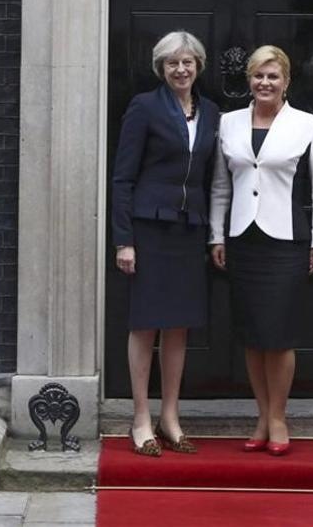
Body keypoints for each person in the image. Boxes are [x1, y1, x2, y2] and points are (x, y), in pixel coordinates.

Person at [208, 45, 313, 457]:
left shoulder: (309, 125)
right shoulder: (229, 124)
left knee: (278, 336)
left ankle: (278, 417)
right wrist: (216, 236)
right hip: (243, 239)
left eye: (273, 76)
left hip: (285, 241)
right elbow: (221, 187)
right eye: (259, 76)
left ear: (286, 81)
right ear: (249, 80)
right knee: (252, 336)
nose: (265, 83)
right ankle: (262, 415)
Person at [112, 30, 219, 457]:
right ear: (161, 68)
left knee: (179, 325)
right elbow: (123, 177)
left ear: (198, 66)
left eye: (188, 61)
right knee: (145, 324)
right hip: (149, 229)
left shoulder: (211, 112)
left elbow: (214, 177)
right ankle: (141, 417)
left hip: (189, 230)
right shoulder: (144, 107)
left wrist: (214, 231)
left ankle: (170, 416)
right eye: (172, 62)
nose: (181, 69)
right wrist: (124, 240)